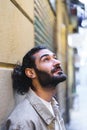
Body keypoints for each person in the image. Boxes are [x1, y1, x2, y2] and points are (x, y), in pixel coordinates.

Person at [6, 45, 67, 130]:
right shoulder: (23, 122)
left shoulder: (53, 105)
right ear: (31, 72)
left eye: (55, 57)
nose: (57, 62)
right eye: (46, 59)